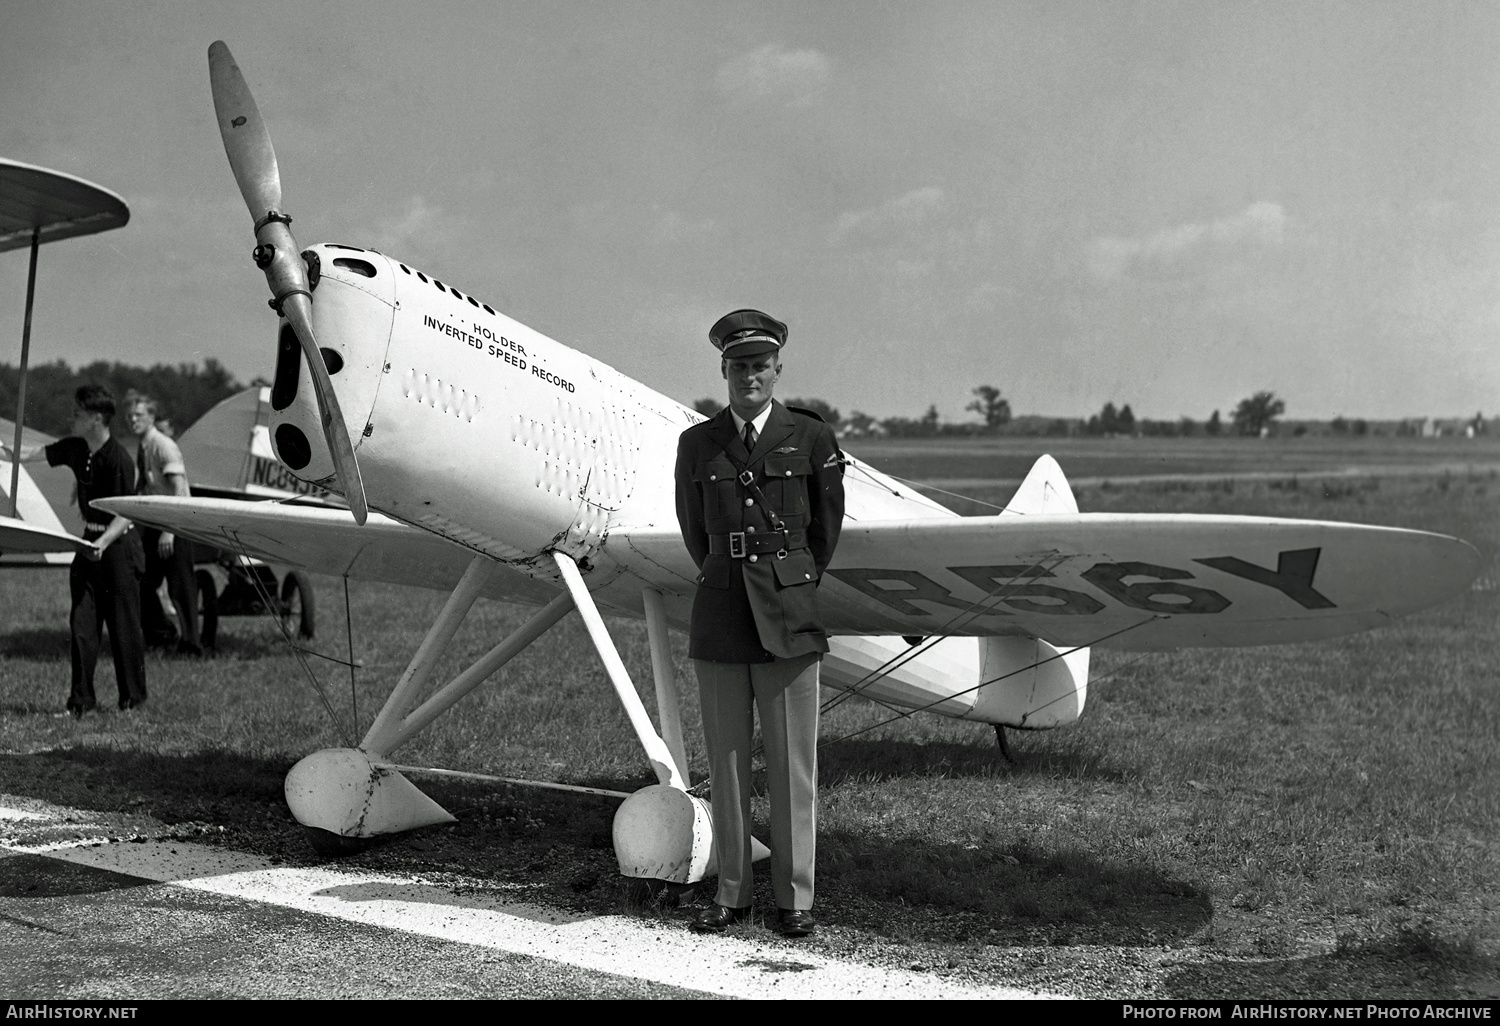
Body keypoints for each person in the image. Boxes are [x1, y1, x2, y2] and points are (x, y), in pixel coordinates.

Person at [674, 308, 845, 938]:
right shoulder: (698, 444)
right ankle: (732, 891)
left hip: (789, 616)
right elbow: (697, 533)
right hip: (720, 615)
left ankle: (794, 900)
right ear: (724, 370)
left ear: (777, 370)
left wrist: (786, 579)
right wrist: (734, 570)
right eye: (738, 365)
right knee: (725, 761)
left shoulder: (812, 437)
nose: (750, 375)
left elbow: (824, 533)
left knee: (792, 764)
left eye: (760, 365)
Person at [3, 385, 146, 716]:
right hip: (87, 545)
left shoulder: (119, 460)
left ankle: (132, 702)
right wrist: (4, 450)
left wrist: (103, 542)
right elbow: (31, 455)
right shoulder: (76, 448)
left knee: (124, 627)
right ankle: (81, 702)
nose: (72, 418)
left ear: (96, 419)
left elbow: (127, 512)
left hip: (119, 548)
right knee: (82, 625)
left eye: (78, 414)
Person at [125, 391, 202, 657]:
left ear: (152, 417)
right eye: (130, 415)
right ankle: (161, 634)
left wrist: (169, 532)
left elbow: (179, 489)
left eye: (139, 415)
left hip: (175, 524)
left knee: (180, 587)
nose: (133, 420)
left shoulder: (163, 445)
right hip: (157, 523)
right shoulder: (144, 445)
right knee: (142, 580)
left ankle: (192, 645)